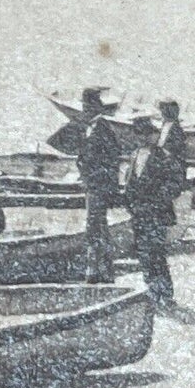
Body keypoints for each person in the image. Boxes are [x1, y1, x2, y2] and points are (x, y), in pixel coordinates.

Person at [124, 117, 176, 307]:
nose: (142, 137)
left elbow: (171, 187)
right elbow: (130, 183)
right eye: (138, 134)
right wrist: (130, 204)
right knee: (143, 253)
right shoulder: (134, 155)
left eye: (146, 133)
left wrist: (154, 204)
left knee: (157, 254)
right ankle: (152, 292)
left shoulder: (164, 156)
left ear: (153, 135)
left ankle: (166, 293)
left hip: (156, 214)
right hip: (139, 214)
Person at [75, 88, 121, 283]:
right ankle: (99, 269)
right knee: (96, 227)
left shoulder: (103, 129)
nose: (84, 110)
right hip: (92, 186)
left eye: (86, 106)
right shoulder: (92, 128)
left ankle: (99, 271)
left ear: (94, 107)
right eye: (84, 106)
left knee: (96, 227)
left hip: (98, 187)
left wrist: (98, 180)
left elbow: (112, 161)